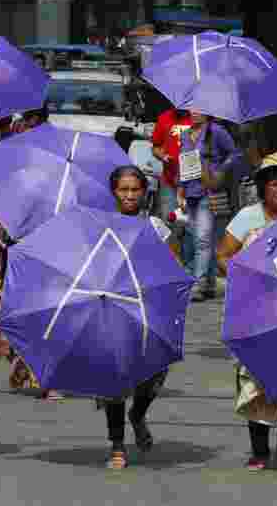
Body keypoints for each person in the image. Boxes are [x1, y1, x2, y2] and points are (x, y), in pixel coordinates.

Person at [216, 152, 277, 474]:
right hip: (254, 316)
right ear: (263, 187)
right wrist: (247, 274)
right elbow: (222, 256)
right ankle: (259, 452)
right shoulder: (247, 217)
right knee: (254, 384)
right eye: (274, 183)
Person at [99, 165, 179, 469]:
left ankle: (139, 414)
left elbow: (175, 267)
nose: (130, 195)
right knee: (114, 382)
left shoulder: (156, 227)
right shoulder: (102, 225)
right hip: (113, 312)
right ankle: (117, 445)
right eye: (124, 189)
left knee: (154, 376)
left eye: (135, 189)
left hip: (150, 311)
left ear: (145, 192)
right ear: (114, 192)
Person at [176, 110, 239, 301]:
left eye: (200, 109)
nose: (194, 113)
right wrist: (180, 189)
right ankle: (211, 283)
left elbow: (234, 154)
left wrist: (219, 171)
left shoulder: (216, 131)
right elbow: (183, 164)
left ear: (208, 111)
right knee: (199, 238)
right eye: (192, 109)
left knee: (202, 239)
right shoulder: (185, 135)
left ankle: (198, 283)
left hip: (208, 191)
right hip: (190, 192)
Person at [151, 107, 194, 268]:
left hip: (194, 185)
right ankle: (171, 266)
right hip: (169, 182)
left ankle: (189, 267)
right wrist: (162, 156)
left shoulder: (199, 117)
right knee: (169, 225)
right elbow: (155, 147)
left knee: (191, 227)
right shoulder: (164, 118)